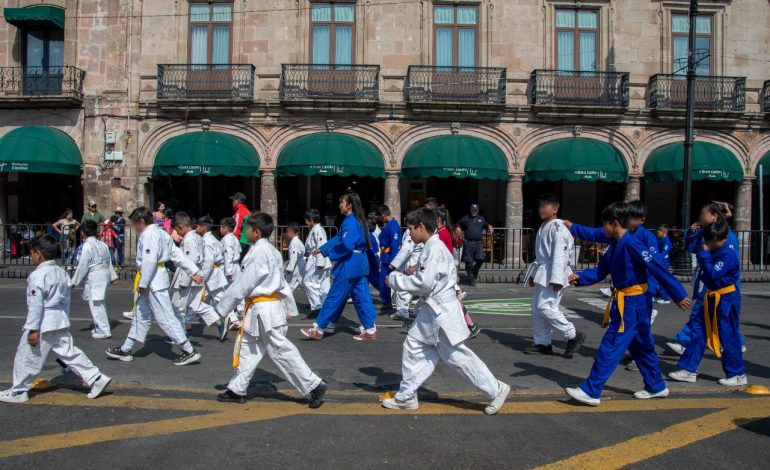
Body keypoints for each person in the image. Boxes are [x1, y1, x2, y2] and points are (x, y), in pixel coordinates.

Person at [381, 208, 510, 414]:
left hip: (440, 311)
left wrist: (395, 280)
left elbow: (423, 283)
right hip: (435, 309)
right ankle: (407, 394)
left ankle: (496, 389)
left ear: (421, 227)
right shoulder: (432, 247)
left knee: (455, 356)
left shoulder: (434, 248)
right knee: (416, 346)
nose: (410, 232)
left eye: (411, 228)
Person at [564, 202, 691, 406]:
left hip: (633, 302)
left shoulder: (632, 244)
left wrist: (677, 294)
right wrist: (581, 278)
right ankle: (656, 385)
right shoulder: (616, 244)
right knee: (642, 346)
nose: (602, 228)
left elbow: (657, 267)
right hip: (631, 301)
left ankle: (592, 389)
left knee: (611, 344)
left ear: (614, 224)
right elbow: (601, 270)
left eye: (604, 224)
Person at [214, 213, 328, 407]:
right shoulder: (273, 251)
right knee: (249, 350)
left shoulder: (258, 253)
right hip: (265, 308)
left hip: (263, 310)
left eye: (247, 228)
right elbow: (282, 284)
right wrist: (290, 308)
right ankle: (237, 389)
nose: (243, 232)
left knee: (280, 350)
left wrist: (222, 308)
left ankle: (314, 385)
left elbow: (243, 284)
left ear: (256, 232)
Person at [0, 235, 112, 403]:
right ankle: (96, 378)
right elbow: (66, 300)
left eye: (32, 253)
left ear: (38, 254)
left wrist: (32, 329)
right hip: (59, 319)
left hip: (44, 322)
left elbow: (36, 306)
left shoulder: (38, 275)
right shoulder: (61, 272)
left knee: (27, 356)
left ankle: (19, 391)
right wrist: (64, 318)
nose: (32, 256)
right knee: (70, 353)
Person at [105, 207, 205, 366]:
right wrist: (193, 271)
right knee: (141, 315)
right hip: (154, 278)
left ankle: (188, 350)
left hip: (152, 280)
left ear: (142, 222)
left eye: (135, 224)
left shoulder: (149, 234)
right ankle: (126, 349)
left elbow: (150, 261)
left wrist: (143, 284)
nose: (135, 227)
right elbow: (177, 255)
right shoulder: (161, 233)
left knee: (166, 318)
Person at [668, 220, 747, 387]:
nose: (708, 244)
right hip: (712, 297)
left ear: (721, 239)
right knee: (698, 330)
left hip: (726, 299)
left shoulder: (727, 254)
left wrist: (704, 255)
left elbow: (712, 274)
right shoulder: (715, 250)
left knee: (728, 335)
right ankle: (688, 369)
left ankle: (737, 373)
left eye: (711, 241)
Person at [300, 193, 378, 341]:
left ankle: (319, 328)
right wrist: (323, 249)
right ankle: (369, 328)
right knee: (361, 297)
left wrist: (330, 253)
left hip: (350, 264)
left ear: (349, 205)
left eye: (341, 203)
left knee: (334, 296)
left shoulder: (350, 221)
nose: (339, 205)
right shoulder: (357, 220)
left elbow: (347, 244)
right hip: (359, 263)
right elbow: (339, 238)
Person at [525, 194, 585, 358]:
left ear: (554, 209)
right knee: (537, 309)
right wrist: (533, 274)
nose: (541, 210)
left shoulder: (558, 227)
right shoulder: (545, 226)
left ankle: (572, 334)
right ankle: (542, 343)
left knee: (547, 307)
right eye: (540, 206)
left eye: (545, 206)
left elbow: (560, 255)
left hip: (553, 272)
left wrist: (557, 279)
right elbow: (540, 257)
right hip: (544, 270)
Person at [170, 212, 225, 338]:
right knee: (196, 304)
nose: (178, 234)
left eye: (177, 231)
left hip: (189, 277)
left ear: (181, 226)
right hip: (196, 276)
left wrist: (183, 281)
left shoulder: (189, 238)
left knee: (177, 308)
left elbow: (190, 260)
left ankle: (180, 336)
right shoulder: (197, 237)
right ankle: (218, 322)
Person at [71, 220, 118, 339]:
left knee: (96, 303)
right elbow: (109, 262)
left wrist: (74, 282)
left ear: (83, 232)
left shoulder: (86, 245)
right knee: (98, 302)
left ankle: (104, 330)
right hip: (104, 274)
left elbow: (82, 264)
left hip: (96, 275)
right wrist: (112, 276)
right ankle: (99, 326)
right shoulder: (102, 244)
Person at [437, 207, 478, 337]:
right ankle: (469, 325)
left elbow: (443, 255)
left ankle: (469, 326)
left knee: (450, 302)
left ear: (439, 219)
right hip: (445, 271)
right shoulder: (441, 232)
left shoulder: (442, 233)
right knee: (450, 301)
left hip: (444, 272)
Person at [197, 215, 230, 340]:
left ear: (204, 228)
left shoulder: (207, 240)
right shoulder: (212, 239)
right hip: (213, 272)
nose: (196, 229)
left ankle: (232, 320)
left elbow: (209, 261)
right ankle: (226, 321)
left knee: (220, 299)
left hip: (211, 273)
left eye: (198, 226)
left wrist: (202, 276)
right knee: (218, 299)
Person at [389, 220, 423, 321]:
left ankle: (402, 312)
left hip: (414, 262)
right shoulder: (428, 231)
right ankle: (403, 311)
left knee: (405, 287)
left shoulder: (413, 232)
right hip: (417, 262)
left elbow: (406, 249)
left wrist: (394, 264)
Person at [301, 209, 331, 317]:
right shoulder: (315, 229)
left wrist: (320, 262)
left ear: (311, 220)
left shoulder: (318, 230)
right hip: (316, 258)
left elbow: (321, 245)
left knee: (308, 282)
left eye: (306, 220)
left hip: (318, 259)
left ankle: (317, 306)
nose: (306, 223)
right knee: (322, 285)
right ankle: (323, 307)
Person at [456, 204, 493, 286]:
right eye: (473, 210)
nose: (474, 212)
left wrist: (490, 227)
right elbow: (458, 223)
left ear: (478, 211)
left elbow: (487, 224)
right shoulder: (466, 218)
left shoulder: (481, 219)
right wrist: (458, 227)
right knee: (468, 261)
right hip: (468, 243)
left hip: (478, 243)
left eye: (475, 210)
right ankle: (471, 278)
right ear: (470, 210)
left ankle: (475, 270)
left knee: (481, 258)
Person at [376, 204, 402, 309]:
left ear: (383, 215)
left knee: (390, 282)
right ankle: (387, 302)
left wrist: (393, 262)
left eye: (380, 217)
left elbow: (395, 245)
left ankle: (393, 304)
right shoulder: (389, 225)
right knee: (384, 282)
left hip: (389, 259)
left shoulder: (393, 226)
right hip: (385, 257)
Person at [283, 222, 306, 292]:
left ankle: (285, 302)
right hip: (300, 265)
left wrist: (289, 269)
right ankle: (317, 302)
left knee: (289, 286)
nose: (288, 234)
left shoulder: (294, 242)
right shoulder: (296, 241)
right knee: (305, 285)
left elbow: (293, 256)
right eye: (287, 232)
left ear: (295, 233)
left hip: (296, 265)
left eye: (289, 232)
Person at [219, 217, 242, 285]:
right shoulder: (234, 238)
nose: (220, 229)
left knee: (228, 290)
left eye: (221, 227)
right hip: (235, 266)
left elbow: (228, 255)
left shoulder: (227, 239)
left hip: (230, 267)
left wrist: (228, 272)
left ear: (226, 228)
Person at [655, 224, 673, 304]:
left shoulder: (666, 240)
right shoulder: (662, 240)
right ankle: (660, 295)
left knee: (662, 279)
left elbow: (665, 251)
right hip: (662, 260)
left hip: (663, 261)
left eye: (658, 232)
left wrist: (658, 259)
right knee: (658, 279)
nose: (657, 234)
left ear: (663, 232)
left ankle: (665, 298)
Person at [230, 192, 251, 260]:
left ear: (238, 201)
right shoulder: (246, 210)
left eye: (233, 200)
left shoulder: (240, 211)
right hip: (246, 241)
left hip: (240, 242)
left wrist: (233, 241)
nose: (232, 202)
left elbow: (236, 229)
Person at [366, 213, 382, 290]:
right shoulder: (369, 235)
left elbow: (374, 252)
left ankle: (388, 293)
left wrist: (377, 262)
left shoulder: (370, 237)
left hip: (372, 260)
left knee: (374, 279)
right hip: (371, 260)